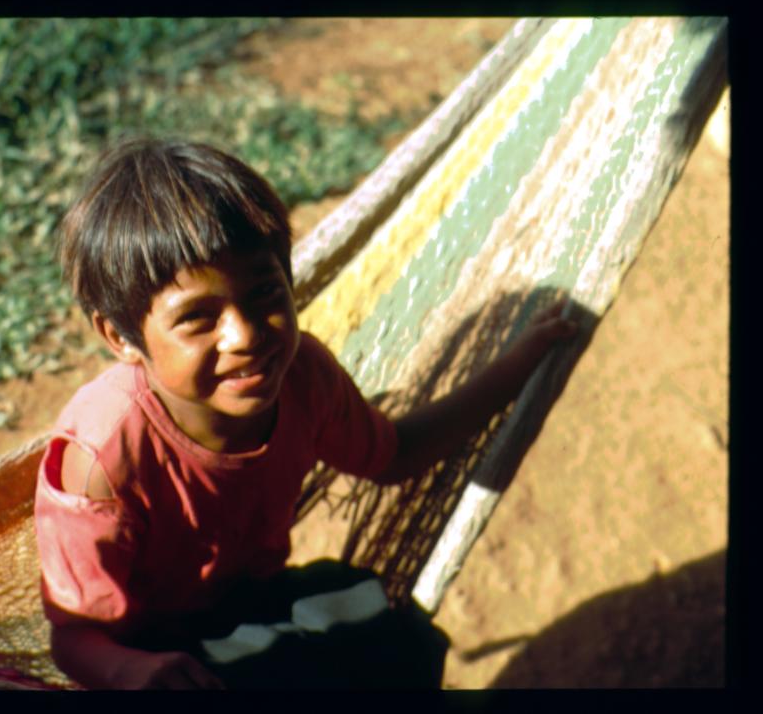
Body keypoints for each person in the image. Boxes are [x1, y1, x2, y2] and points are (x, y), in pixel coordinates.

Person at [34, 138, 576, 689]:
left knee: (402, 641)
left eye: (265, 294)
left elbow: (396, 454)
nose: (244, 335)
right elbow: (73, 637)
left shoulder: (304, 378)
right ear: (120, 337)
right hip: (156, 652)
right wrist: (133, 671)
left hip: (257, 608)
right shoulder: (103, 456)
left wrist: (520, 362)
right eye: (198, 318)